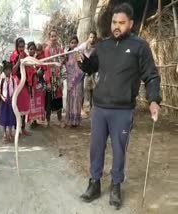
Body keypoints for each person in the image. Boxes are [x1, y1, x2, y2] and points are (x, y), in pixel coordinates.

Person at [75, 3, 161, 209]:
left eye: (121, 23)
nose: (116, 26)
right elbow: (92, 66)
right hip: (100, 108)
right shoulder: (103, 46)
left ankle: (115, 186)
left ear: (130, 24)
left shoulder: (140, 47)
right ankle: (94, 183)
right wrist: (83, 62)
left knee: (119, 150)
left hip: (122, 110)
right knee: (96, 148)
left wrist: (154, 100)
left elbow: (151, 76)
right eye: (114, 22)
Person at [10, 37, 31, 136]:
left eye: (23, 47)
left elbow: (30, 69)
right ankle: (16, 129)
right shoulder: (13, 56)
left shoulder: (26, 55)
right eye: (20, 47)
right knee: (16, 107)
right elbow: (13, 71)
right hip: (16, 84)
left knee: (24, 106)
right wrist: (19, 60)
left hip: (25, 84)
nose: (21, 49)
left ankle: (23, 128)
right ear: (16, 47)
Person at [44, 30, 65, 128]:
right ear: (49, 38)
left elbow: (62, 61)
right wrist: (48, 81)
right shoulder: (47, 50)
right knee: (49, 100)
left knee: (59, 99)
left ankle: (60, 120)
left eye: (55, 36)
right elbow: (47, 66)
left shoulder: (59, 49)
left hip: (58, 78)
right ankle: (48, 121)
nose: (53, 38)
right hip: (50, 77)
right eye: (52, 36)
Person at [76, 31, 98, 116]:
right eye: (91, 37)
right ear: (88, 38)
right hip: (85, 71)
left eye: (94, 37)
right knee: (84, 90)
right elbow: (76, 50)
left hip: (94, 71)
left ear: (96, 38)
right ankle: (82, 109)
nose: (92, 39)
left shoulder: (97, 48)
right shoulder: (85, 46)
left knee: (93, 91)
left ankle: (92, 109)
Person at [65, 36, 84, 128]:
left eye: (75, 42)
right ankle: (70, 120)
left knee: (76, 99)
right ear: (69, 44)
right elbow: (65, 66)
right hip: (69, 81)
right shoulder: (67, 54)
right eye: (71, 42)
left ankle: (75, 121)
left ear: (78, 43)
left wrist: (75, 79)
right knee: (70, 99)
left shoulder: (79, 54)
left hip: (78, 80)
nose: (73, 44)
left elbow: (81, 67)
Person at [27, 42, 45, 127]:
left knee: (38, 101)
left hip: (38, 84)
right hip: (31, 85)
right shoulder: (27, 60)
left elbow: (43, 68)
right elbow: (28, 73)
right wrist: (35, 73)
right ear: (28, 50)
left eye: (34, 49)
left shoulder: (36, 59)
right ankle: (32, 121)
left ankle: (35, 121)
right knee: (32, 102)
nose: (32, 50)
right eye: (31, 49)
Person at [0, 61, 17, 143]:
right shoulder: (2, 80)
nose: (8, 71)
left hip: (11, 102)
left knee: (11, 118)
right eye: (6, 70)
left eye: (9, 70)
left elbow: (16, 90)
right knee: (4, 118)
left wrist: (13, 97)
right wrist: (2, 97)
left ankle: (10, 133)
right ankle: (4, 134)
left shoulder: (13, 80)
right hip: (4, 102)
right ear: (4, 70)